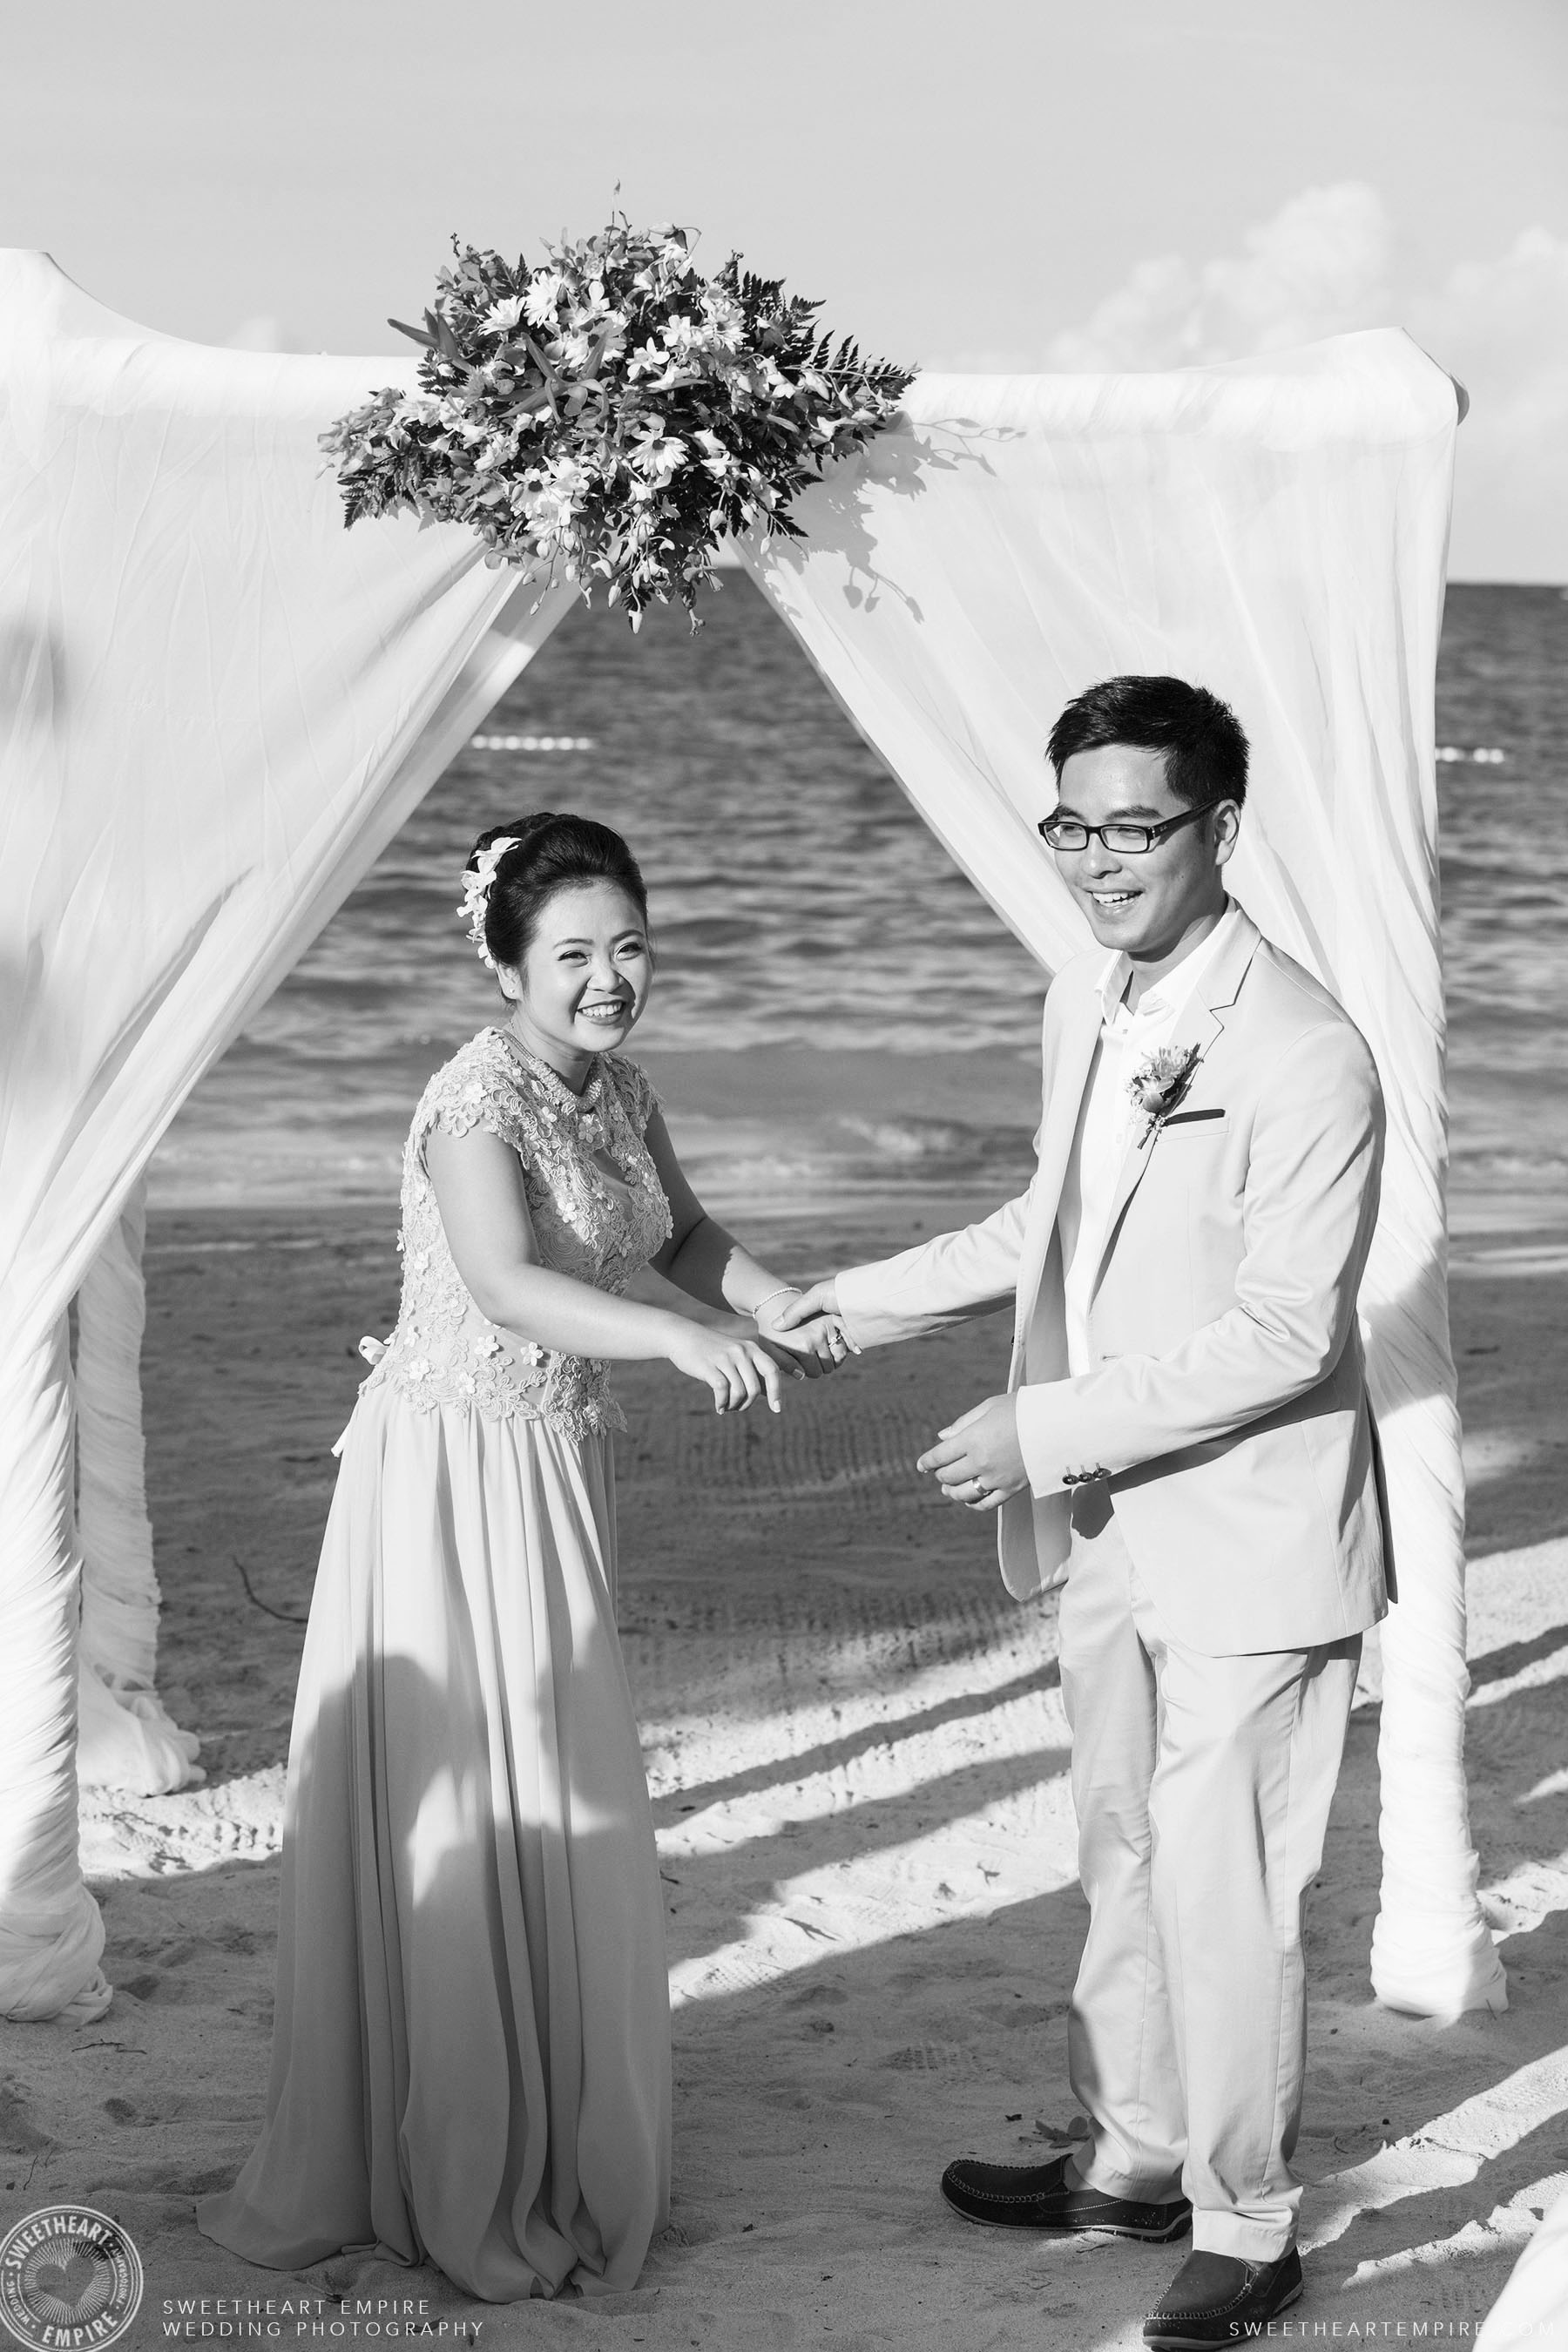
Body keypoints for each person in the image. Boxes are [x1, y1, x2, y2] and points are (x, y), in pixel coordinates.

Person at [779, 677, 1392, 2349]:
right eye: (1075, 823)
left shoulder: (1307, 1048)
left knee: (1227, 1885)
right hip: (1120, 1524)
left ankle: (1251, 2222)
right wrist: (846, 1305)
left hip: (1257, 1541)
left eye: (1137, 826)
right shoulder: (1090, 997)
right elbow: (1040, 1220)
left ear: (1219, 827)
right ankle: (1129, 2163)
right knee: (1121, 1853)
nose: (1101, 859)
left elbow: (1289, 1332)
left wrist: (1039, 1426)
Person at [199, 811, 843, 2301]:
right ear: (506, 964)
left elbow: (680, 1237)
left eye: (629, 946)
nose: (609, 977)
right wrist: (688, 1346)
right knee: (481, 1790)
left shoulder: (619, 1090)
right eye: (573, 954)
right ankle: (457, 2155)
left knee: (550, 1787)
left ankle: (551, 2120)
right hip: (448, 1476)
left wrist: (782, 1303)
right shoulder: (471, 1103)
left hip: (552, 1465)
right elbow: (504, 1286)